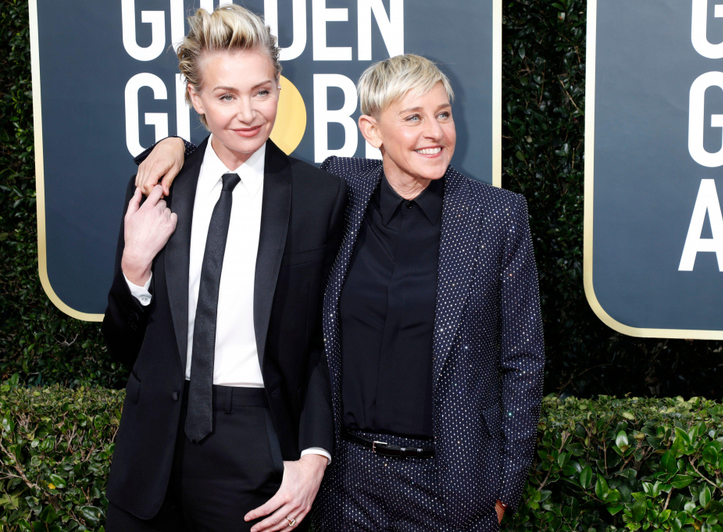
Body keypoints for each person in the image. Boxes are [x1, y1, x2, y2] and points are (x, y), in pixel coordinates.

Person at [138, 54, 544, 531]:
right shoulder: (338, 188)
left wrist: (503, 492)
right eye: (413, 117)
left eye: (443, 114)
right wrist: (176, 146)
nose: (434, 132)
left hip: (452, 484)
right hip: (346, 483)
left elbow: (523, 359)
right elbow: (242, 154)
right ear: (371, 131)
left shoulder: (495, 215)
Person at [102, 5, 346, 532]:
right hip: (151, 456)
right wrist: (134, 269)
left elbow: (324, 345)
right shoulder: (157, 183)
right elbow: (122, 346)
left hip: (256, 449)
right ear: (196, 98)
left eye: (262, 91)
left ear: (280, 87)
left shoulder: (318, 197)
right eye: (226, 96)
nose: (249, 113)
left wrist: (315, 453)